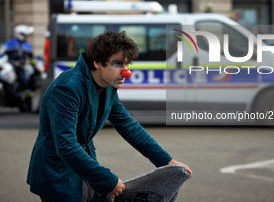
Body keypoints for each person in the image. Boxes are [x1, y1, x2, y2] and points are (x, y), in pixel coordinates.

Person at [27, 30, 192, 202]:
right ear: (97, 62)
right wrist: (106, 179)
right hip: (57, 174)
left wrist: (167, 161)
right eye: (118, 64)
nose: (126, 72)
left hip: (84, 167)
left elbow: (128, 126)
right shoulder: (68, 88)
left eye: (127, 65)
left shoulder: (108, 86)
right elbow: (66, 145)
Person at [5, 24, 35, 91]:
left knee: (24, 83)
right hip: (9, 67)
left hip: (20, 68)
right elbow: (1, 52)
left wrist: (34, 65)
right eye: (26, 36)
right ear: (20, 35)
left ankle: (28, 100)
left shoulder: (27, 45)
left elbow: (32, 57)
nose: (27, 37)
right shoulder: (10, 43)